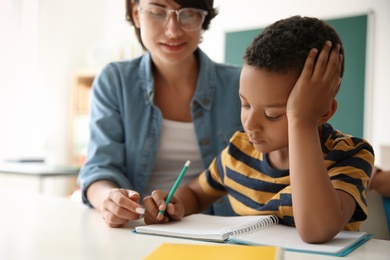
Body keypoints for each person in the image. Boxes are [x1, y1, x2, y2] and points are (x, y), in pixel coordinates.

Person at [142, 15, 375, 243]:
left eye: (272, 115)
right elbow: (196, 194)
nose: (250, 124)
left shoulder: (350, 155)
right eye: (245, 104)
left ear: (322, 112)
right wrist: (173, 204)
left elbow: (316, 231)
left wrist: (301, 121)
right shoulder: (238, 152)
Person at [78, 0, 243, 227]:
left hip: (222, 230)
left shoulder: (241, 85)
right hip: (139, 228)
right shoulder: (115, 82)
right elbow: (99, 168)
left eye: (188, 14)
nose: (173, 30)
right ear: (137, 14)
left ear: (203, 17)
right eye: (157, 12)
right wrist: (109, 199)